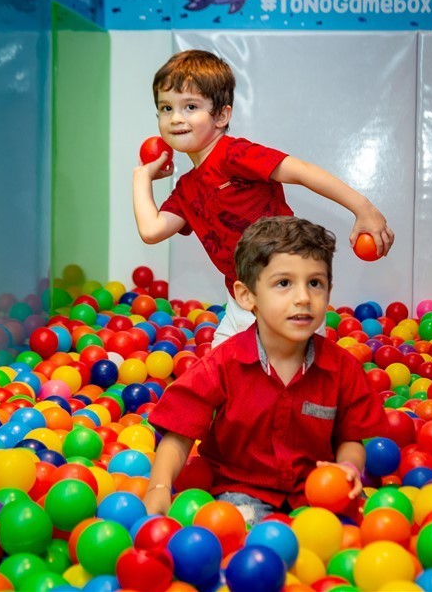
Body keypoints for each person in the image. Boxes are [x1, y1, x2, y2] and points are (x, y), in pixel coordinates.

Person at [133, 49, 394, 347]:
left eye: (190, 106)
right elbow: (151, 230)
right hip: (242, 302)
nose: (176, 118)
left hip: (286, 296)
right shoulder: (186, 189)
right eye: (166, 108)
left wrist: (363, 208)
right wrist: (142, 177)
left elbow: (302, 171)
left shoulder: (233, 155)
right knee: (221, 369)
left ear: (222, 116)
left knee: (290, 371)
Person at [142, 216, 388, 525]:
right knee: (240, 530)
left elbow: (350, 438)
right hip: (242, 490)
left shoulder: (342, 369)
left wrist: (348, 469)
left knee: (353, 530)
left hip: (318, 492)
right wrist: (159, 487)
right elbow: (179, 435)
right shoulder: (222, 365)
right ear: (247, 296)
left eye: (315, 283)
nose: (303, 298)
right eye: (284, 283)